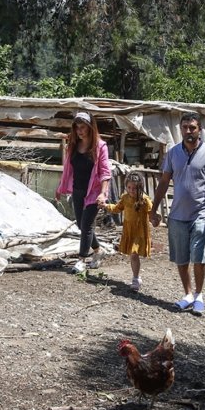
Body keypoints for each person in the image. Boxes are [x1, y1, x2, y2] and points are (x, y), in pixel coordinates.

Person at [150, 112, 205, 316]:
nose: (188, 131)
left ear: (199, 129)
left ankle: (199, 295)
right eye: (185, 128)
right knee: (181, 258)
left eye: (192, 127)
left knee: (198, 255)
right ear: (181, 129)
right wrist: (154, 209)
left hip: (201, 212)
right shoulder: (173, 153)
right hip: (177, 215)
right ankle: (188, 294)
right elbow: (164, 182)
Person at [56, 112, 111, 274]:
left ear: (90, 127)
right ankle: (98, 251)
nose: (80, 131)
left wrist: (103, 193)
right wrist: (60, 187)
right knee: (81, 225)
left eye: (83, 127)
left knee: (87, 225)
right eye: (77, 127)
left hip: (94, 192)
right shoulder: (72, 146)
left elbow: (105, 172)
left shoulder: (100, 147)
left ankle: (81, 260)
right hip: (78, 190)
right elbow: (67, 170)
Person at [102, 172, 153, 291]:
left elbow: (152, 213)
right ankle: (136, 277)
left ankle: (135, 278)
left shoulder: (145, 200)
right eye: (129, 187)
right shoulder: (125, 198)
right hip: (129, 231)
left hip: (140, 231)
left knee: (134, 253)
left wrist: (156, 219)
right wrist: (106, 206)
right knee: (133, 255)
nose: (131, 190)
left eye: (134, 188)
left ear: (140, 187)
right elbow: (117, 208)